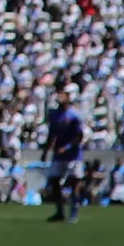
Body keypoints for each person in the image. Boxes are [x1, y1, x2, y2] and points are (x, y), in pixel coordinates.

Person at [43, 86, 87, 223]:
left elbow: (79, 135)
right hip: (59, 154)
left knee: (75, 184)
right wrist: (46, 151)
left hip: (73, 155)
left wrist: (67, 147)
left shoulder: (74, 115)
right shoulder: (54, 115)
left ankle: (74, 213)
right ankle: (60, 211)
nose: (59, 97)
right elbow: (52, 135)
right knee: (55, 182)